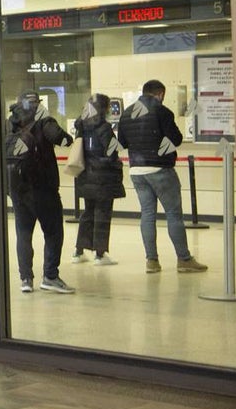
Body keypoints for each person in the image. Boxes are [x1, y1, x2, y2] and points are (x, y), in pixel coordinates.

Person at [0, 90, 75, 295]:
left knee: (23, 233)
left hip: (16, 189)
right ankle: (50, 276)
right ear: (38, 104)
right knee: (53, 232)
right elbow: (62, 139)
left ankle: (26, 279)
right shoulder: (43, 121)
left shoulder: (7, 123)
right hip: (43, 188)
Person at [118, 80, 208, 274]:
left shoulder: (127, 113)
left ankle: (152, 261)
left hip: (137, 171)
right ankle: (184, 259)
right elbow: (175, 138)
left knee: (147, 214)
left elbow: (122, 143)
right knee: (173, 214)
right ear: (159, 94)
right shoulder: (162, 111)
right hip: (160, 169)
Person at [71, 94, 124, 266]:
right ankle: (100, 254)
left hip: (86, 175)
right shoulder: (104, 128)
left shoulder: (81, 126)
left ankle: (79, 251)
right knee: (102, 214)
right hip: (103, 177)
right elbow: (112, 151)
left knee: (88, 213)